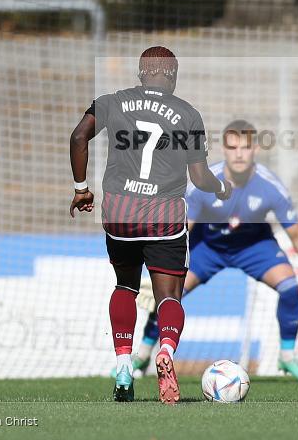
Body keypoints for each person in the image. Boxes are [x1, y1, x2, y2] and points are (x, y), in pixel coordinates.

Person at [69, 46, 232, 404]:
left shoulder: (112, 101)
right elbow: (201, 177)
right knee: (169, 297)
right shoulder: (188, 114)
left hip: (119, 214)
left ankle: (124, 366)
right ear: (172, 75)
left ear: (141, 73)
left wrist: (82, 189)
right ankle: (166, 352)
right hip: (163, 218)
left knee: (125, 286)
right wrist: (220, 188)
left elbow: (79, 136)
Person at [132, 120, 298, 383]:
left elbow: (297, 235)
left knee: (290, 287)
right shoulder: (204, 183)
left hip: (253, 246)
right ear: (224, 149)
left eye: (245, 147)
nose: (239, 154)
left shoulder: (271, 186)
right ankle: (141, 356)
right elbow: (179, 230)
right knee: (168, 293)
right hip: (207, 247)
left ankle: (287, 358)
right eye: (233, 148)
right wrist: (157, 271)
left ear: (255, 148)